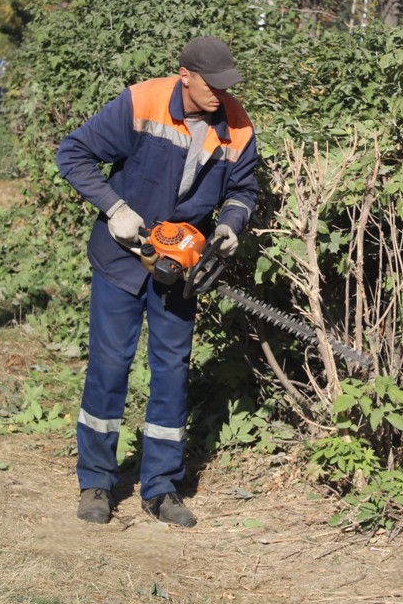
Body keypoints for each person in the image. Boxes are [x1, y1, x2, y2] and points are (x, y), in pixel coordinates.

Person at [56, 36, 259, 528]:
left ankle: (162, 488)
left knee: (171, 371)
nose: (221, 94)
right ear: (185, 75)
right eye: (213, 84)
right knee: (109, 366)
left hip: (181, 265)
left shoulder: (237, 126)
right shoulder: (141, 101)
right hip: (122, 258)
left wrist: (231, 224)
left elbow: (243, 189)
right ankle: (96, 482)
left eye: (226, 84)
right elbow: (73, 154)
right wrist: (115, 208)